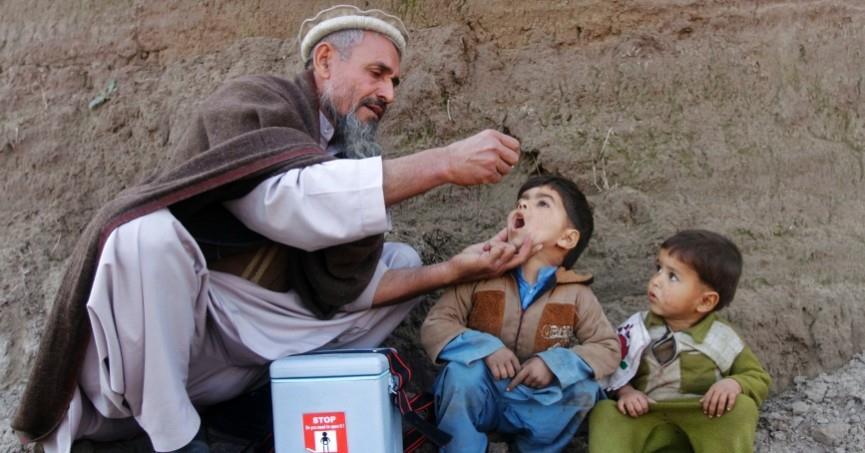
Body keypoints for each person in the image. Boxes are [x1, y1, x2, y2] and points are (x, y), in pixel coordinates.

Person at [12, 5, 534, 453]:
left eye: (394, 81)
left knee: (402, 262)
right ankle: (177, 438)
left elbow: (344, 290)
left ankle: (262, 402)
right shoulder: (256, 103)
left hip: (245, 347)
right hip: (171, 332)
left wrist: (455, 270)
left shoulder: (345, 151)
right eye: (377, 73)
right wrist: (443, 162)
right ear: (325, 61)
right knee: (145, 235)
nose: (388, 93)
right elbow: (287, 205)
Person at [420, 174, 621, 452]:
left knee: (585, 389)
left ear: (567, 238)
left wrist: (553, 364)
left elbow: (607, 347)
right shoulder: (481, 274)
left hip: (537, 401)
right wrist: (486, 348)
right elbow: (437, 323)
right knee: (460, 375)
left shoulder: (576, 293)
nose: (524, 206)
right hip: (484, 392)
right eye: (521, 202)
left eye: (542, 203)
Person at [588, 229, 772, 453]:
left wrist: (733, 384)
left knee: (742, 409)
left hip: (702, 417)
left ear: (705, 301)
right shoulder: (637, 327)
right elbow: (613, 367)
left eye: (672, 276)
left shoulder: (721, 337)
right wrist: (626, 392)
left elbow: (758, 377)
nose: (656, 281)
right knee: (605, 413)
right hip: (646, 415)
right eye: (658, 268)